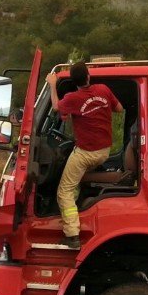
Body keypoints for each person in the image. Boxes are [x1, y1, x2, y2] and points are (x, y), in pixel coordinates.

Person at [45, 63, 123, 249]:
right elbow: (119, 109)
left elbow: (56, 107)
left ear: (74, 81)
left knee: (63, 192)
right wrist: (99, 109)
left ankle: (72, 235)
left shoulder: (73, 98)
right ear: (88, 76)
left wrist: (52, 84)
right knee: (75, 181)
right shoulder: (103, 89)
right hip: (103, 152)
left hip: (86, 154)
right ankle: (77, 205)